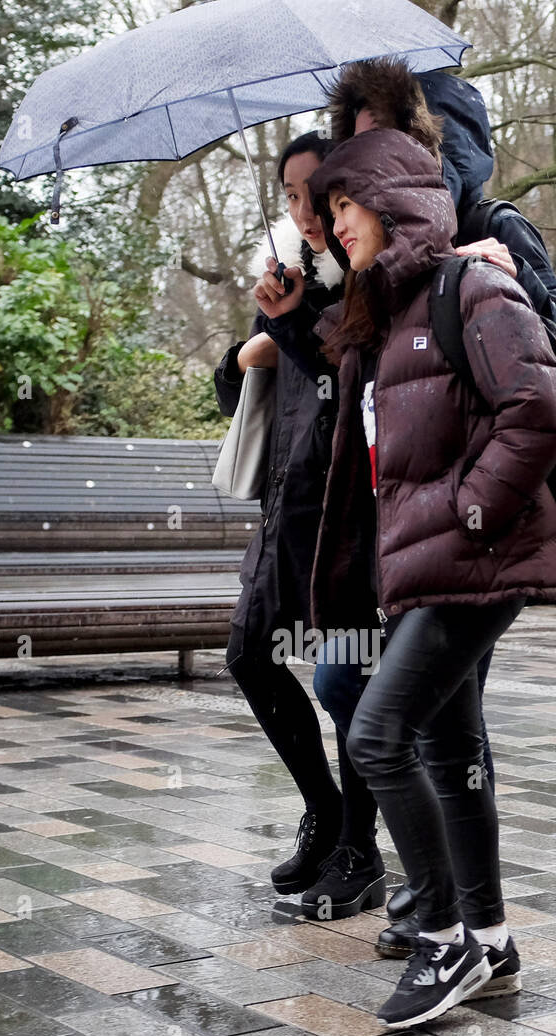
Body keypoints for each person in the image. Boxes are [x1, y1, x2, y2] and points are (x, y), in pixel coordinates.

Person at [315, 59, 556, 954]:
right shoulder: (374, 269)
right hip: (420, 542)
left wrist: (471, 513)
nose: (349, 175)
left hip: (476, 541)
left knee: (391, 729)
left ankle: (445, 922)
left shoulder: (486, 239)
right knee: (440, 738)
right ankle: (477, 926)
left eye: (369, 148)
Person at [214, 131, 386, 920]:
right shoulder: (291, 272)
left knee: (347, 678)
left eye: (314, 192)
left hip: (352, 511)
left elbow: (345, 377)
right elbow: (238, 392)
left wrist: (288, 329)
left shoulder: (369, 276)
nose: (302, 209)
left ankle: (359, 846)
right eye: (287, 195)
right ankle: (322, 813)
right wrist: (254, 339)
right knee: (250, 654)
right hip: (286, 504)